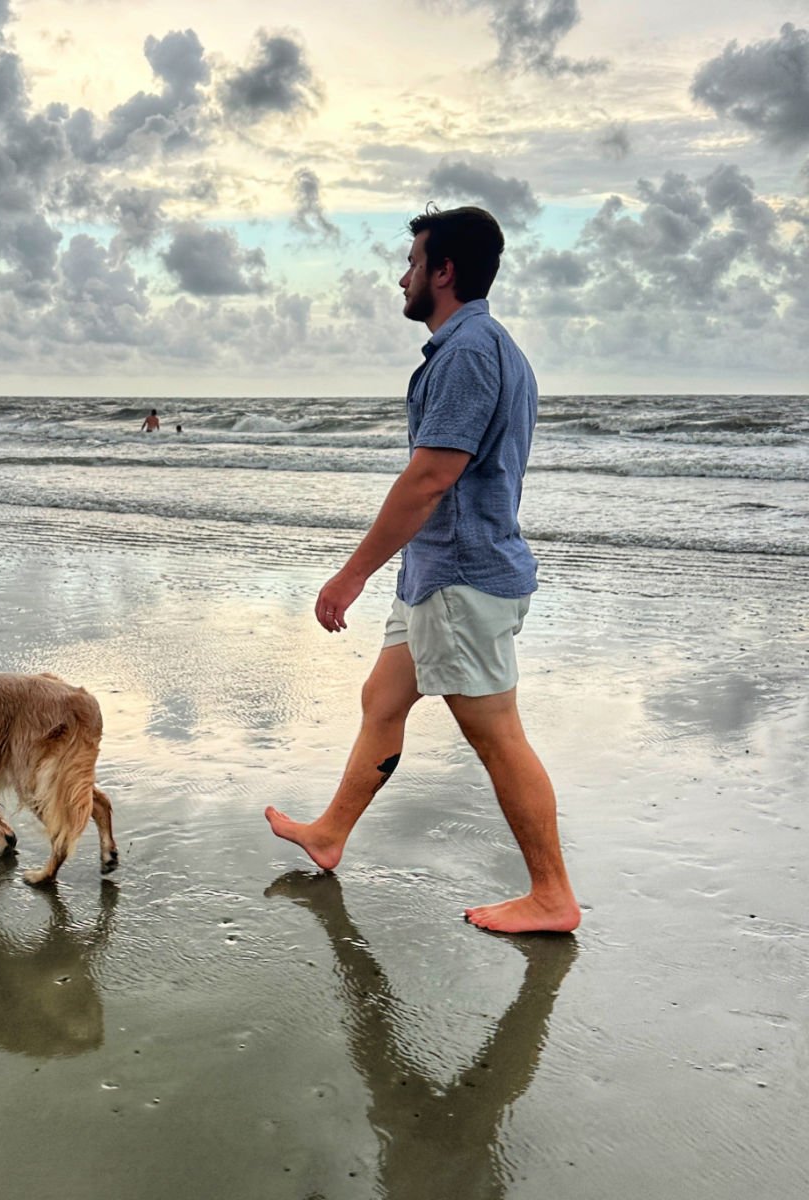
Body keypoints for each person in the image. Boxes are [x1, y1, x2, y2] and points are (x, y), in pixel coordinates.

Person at [265, 204, 580, 935]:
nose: (401, 276)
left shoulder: (470, 351)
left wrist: (351, 575)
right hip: (439, 573)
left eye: (412, 262)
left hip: (463, 578)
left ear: (443, 271)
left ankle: (551, 893)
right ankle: (330, 832)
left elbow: (431, 476)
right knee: (383, 697)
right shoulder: (480, 347)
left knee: (496, 732)